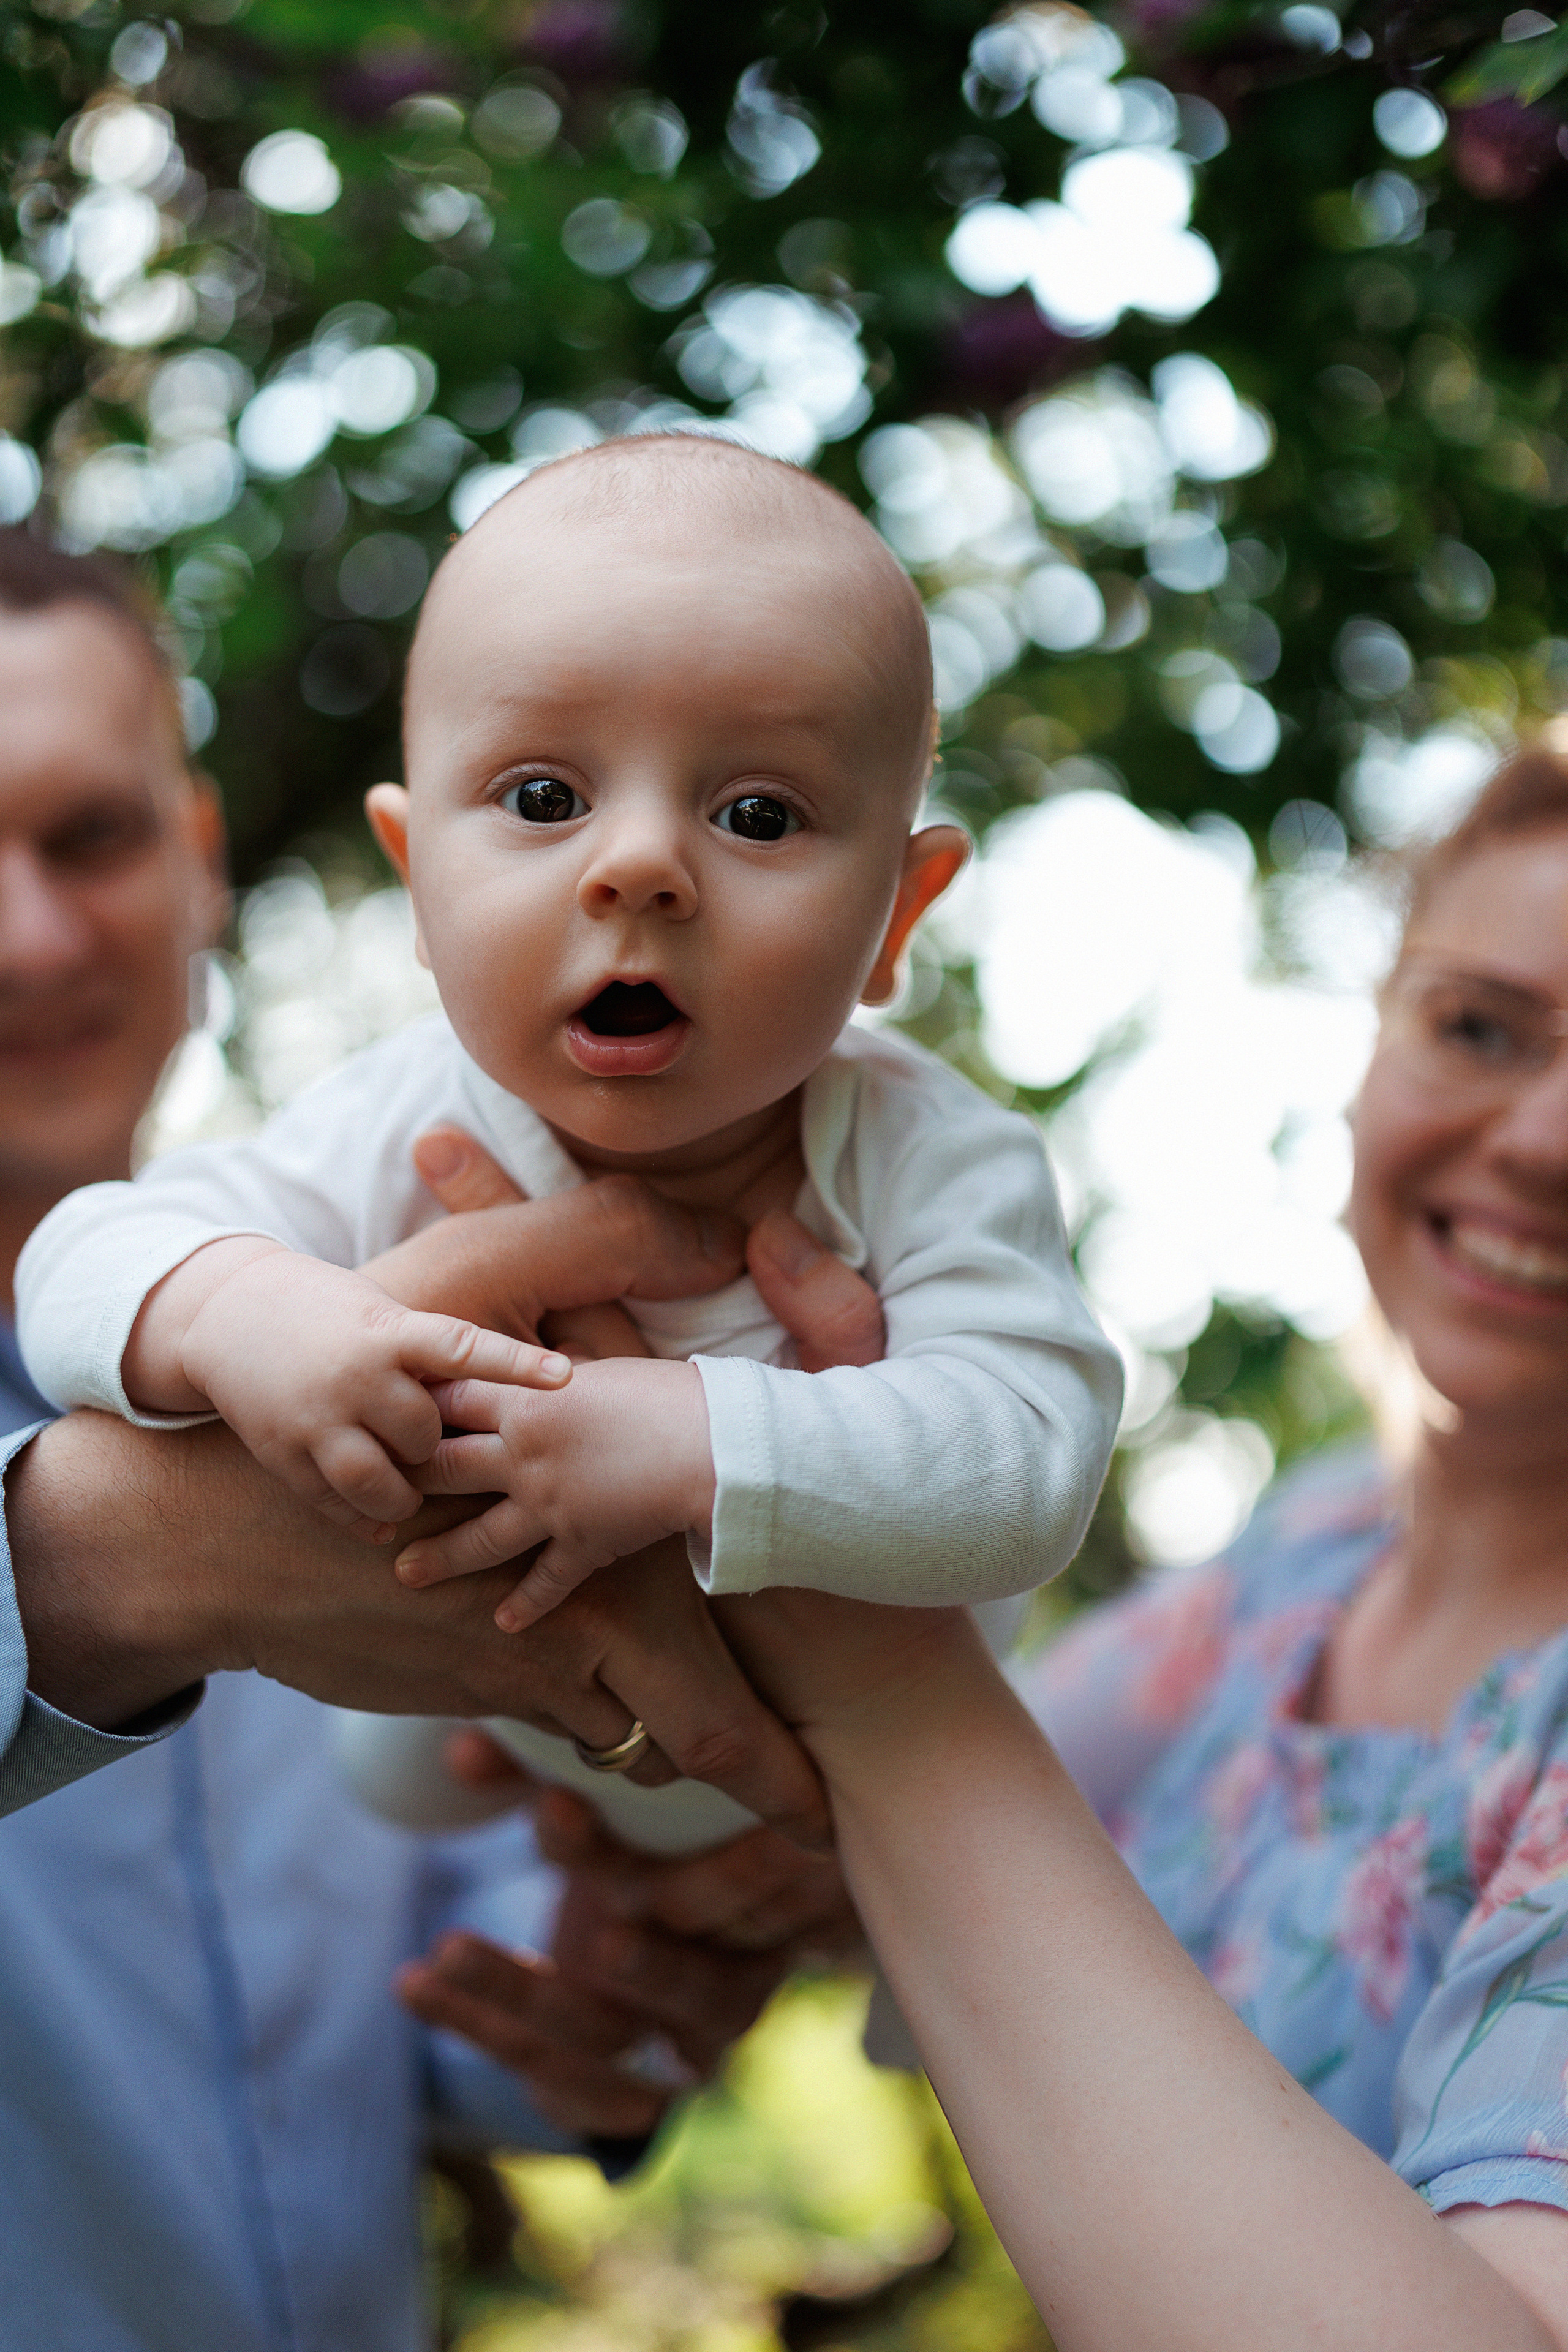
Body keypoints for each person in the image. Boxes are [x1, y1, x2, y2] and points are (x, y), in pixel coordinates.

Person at [570, 741, 1568, 2349]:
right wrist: (677, 1926)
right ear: (1370, 1048)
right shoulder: (1297, 1564)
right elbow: (847, 1838)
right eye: (1477, 1027)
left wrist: (855, 1617)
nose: (1544, 1140)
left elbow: (919, 1739)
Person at [0, 529, 862, 2350]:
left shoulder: (380, 1289)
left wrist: (618, 1994)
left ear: (200, 861)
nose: (30, 934)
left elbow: (380, 2016)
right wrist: (107, 1560)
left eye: (89, 837)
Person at [16, 445, 1121, 1814]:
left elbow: (1026, 1457)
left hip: (816, 1751)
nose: (640, 865)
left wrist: (681, 1437)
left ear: (896, 917)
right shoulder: (393, 1115)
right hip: (489, 1720)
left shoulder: (926, 1154)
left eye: (757, 815)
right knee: (397, 1787)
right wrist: (246, 1313)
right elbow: (76, 1263)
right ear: (418, 885)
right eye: (544, 799)